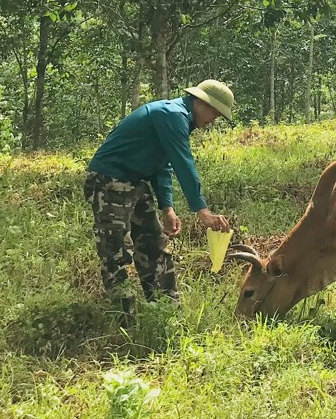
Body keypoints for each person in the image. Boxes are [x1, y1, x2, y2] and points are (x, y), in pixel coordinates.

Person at [84, 79, 234, 314]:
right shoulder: (172, 114)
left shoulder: (179, 119)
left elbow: (163, 165)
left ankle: (166, 312)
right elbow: (183, 162)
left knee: (154, 246)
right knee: (116, 251)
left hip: (136, 181)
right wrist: (202, 210)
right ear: (200, 102)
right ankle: (125, 320)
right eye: (214, 112)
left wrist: (168, 208)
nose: (213, 120)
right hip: (109, 180)